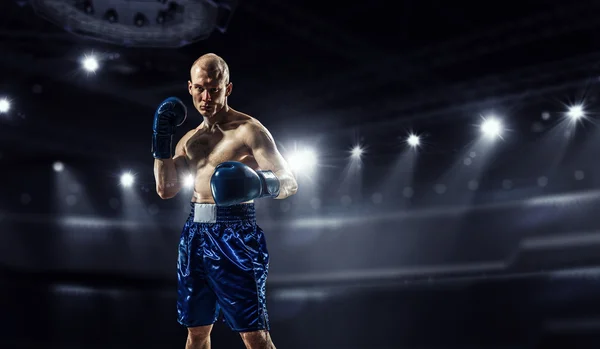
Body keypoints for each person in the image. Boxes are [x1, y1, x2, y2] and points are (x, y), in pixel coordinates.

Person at [152, 53, 298, 349]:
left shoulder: (248, 130)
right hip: (194, 233)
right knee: (196, 331)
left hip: (236, 234)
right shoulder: (187, 140)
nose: (206, 97)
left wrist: (257, 184)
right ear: (190, 88)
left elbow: (290, 182)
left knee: (253, 334)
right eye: (199, 88)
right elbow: (165, 189)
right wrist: (160, 141)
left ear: (227, 88)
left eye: (214, 89)